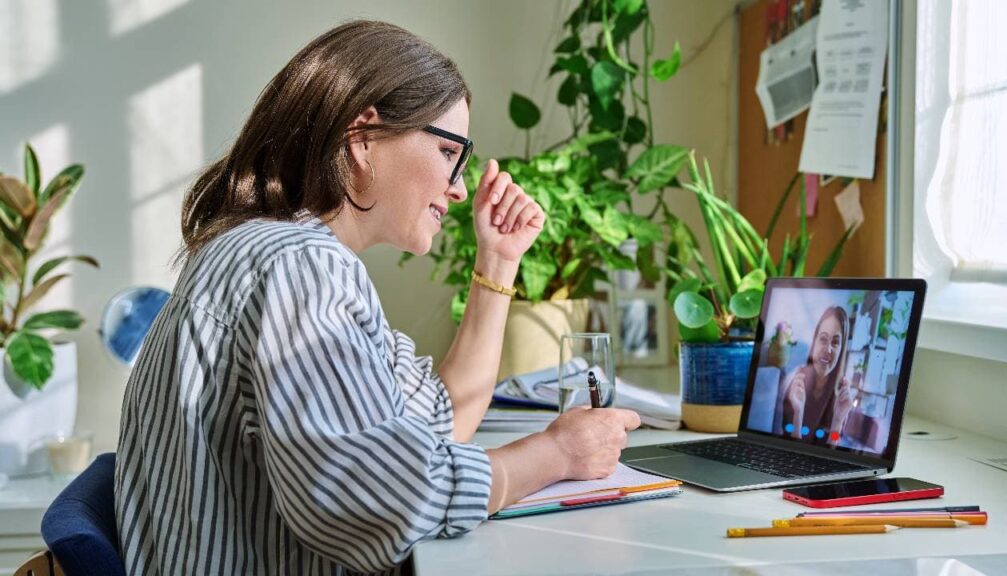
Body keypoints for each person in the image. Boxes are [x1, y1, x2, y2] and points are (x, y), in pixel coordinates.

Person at [114, 20, 640, 576]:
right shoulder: (297, 265)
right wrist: (555, 455)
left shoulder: (274, 252)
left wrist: (498, 261)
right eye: (448, 152)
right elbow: (383, 503)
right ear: (362, 139)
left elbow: (437, 422)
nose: (459, 188)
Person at [782, 306, 856, 444]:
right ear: (815, 341)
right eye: (823, 339)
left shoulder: (841, 396)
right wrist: (798, 413)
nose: (828, 349)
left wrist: (838, 421)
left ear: (841, 350)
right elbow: (787, 447)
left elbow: (833, 446)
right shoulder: (795, 382)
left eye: (835, 342)